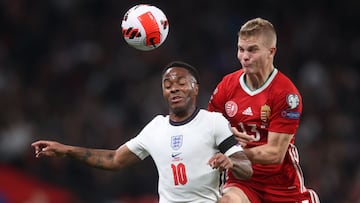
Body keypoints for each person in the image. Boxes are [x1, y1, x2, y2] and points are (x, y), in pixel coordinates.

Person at [31, 61, 253, 203]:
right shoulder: (156, 128)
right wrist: (67, 150)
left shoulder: (213, 122)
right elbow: (115, 159)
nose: (174, 87)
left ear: (195, 88)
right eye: (167, 84)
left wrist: (230, 162)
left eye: (181, 83)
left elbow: (246, 168)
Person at [207, 18, 320, 203]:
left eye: (252, 49)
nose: (244, 56)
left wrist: (234, 153)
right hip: (242, 180)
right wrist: (224, 133)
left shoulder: (286, 94)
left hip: (282, 185)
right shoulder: (227, 85)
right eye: (241, 49)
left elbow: (275, 153)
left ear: (271, 52)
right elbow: (207, 128)